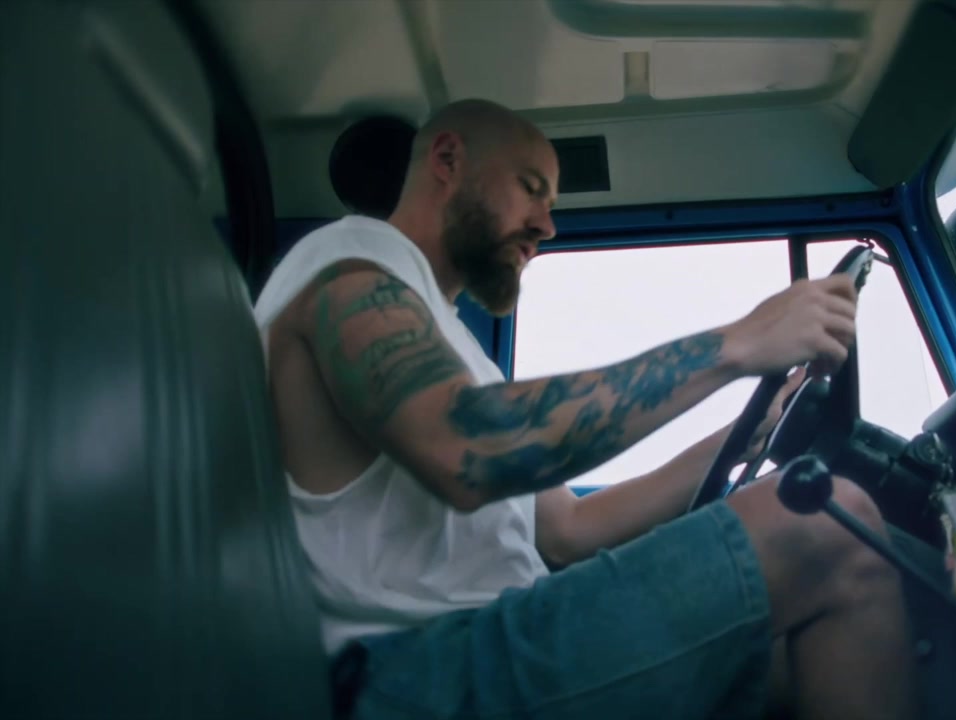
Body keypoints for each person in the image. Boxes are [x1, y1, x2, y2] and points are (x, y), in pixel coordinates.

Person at [253, 98, 916, 720]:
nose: (547, 224)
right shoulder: (351, 261)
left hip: (484, 636)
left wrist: (743, 437)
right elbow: (467, 447)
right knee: (832, 523)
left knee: (791, 653)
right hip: (407, 673)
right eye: (530, 188)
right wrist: (739, 343)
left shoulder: (454, 347)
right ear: (448, 161)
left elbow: (569, 528)